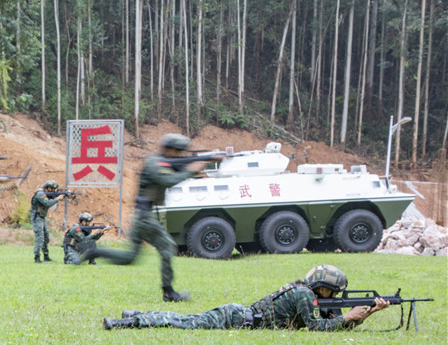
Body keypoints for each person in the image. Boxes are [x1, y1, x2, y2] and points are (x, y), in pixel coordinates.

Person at [85, 134, 219, 302]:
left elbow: (177, 171)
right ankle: (168, 292)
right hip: (144, 216)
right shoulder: (155, 163)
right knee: (168, 247)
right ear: (169, 149)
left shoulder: (162, 161)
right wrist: (192, 169)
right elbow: (168, 180)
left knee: (131, 258)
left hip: (141, 214)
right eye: (178, 151)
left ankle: (96, 252)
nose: (180, 155)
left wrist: (204, 164)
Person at [103, 264, 389, 330]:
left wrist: (365, 314)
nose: (334, 296)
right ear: (322, 288)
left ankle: (135, 315)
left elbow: (329, 319)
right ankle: (127, 322)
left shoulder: (305, 290)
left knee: (185, 319)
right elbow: (317, 327)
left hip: (240, 316)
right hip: (237, 318)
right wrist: (350, 317)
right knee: (184, 322)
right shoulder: (304, 295)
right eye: (332, 292)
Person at [30, 181, 66, 263]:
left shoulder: (46, 194)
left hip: (42, 218)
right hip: (37, 218)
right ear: (47, 188)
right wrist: (57, 198)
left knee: (46, 238)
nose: (53, 191)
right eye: (52, 189)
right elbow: (47, 203)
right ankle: (37, 258)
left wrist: (64, 195)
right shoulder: (40, 193)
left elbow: (51, 198)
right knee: (40, 238)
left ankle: (46, 256)